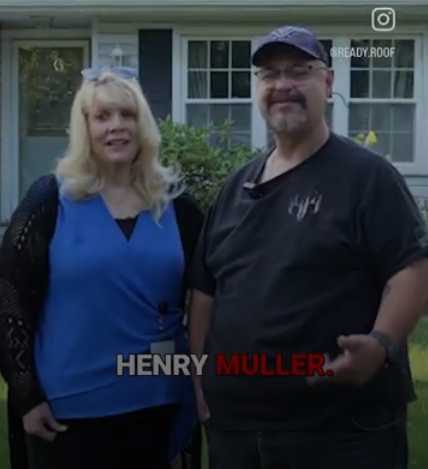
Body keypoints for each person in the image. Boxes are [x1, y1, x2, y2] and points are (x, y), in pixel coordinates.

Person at [189, 25, 428, 469]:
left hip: (339, 433)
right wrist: (200, 379)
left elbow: (411, 268)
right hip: (236, 431)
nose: (283, 84)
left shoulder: (367, 177)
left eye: (299, 71)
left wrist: (381, 344)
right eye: (269, 74)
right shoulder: (234, 188)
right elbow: (206, 290)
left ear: (328, 82)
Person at [0, 66, 204, 469]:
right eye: (103, 116)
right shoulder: (49, 200)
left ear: (143, 125)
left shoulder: (177, 206)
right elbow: (9, 298)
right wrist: (26, 396)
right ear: (85, 127)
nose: (117, 126)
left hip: (159, 401)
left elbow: (209, 296)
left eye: (128, 115)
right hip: (69, 410)